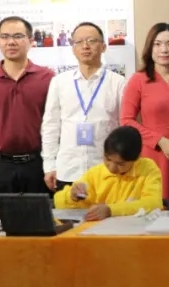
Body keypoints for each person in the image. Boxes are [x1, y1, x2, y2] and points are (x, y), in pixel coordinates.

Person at [0, 16, 54, 196]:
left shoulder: (47, 77)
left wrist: (53, 165)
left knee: (40, 213)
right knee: (0, 214)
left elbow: (56, 124)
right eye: (5, 36)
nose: (11, 42)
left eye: (18, 36)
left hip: (38, 163)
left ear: (30, 41)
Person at [42, 22, 127, 192]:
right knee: (68, 210)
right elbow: (51, 126)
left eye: (91, 41)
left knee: (104, 210)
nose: (85, 46)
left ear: (103, 47)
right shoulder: (59, 82)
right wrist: (49, 165)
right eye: (79, 42)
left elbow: (124, 127)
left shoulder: (119, 83)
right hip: (68, 169)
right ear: (73, 49)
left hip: (106, 170)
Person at [121, 23, 169, 207]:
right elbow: (126, 121)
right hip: (154, 154)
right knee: (158, 205)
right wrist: (159, 140)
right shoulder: (138, 80)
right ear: (150, 48)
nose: (164, 50)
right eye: (157, 44)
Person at [53, 126, 163, 221]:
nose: (112, 168)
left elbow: (153, 203)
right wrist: (72, 196)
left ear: (137, 157)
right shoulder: (95, 173)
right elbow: (58, 202)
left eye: (120, 164)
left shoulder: (147, 169)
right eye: (107, 159)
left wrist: (111, 210)